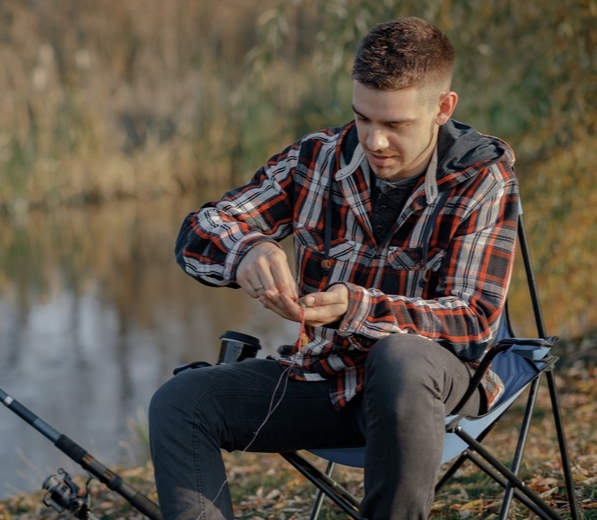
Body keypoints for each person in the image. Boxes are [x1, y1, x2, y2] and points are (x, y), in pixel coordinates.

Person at [148, 16, 520, 520]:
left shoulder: (482, 179)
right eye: (363, 118)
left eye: (395, 124)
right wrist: (247, 252)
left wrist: (357, 308)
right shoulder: (315, 159)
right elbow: (202, 229)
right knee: (180, 403)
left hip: (434, 390)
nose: (375, 141)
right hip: (328, 380)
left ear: (442, 108)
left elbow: (473, 321)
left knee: (399, 360)